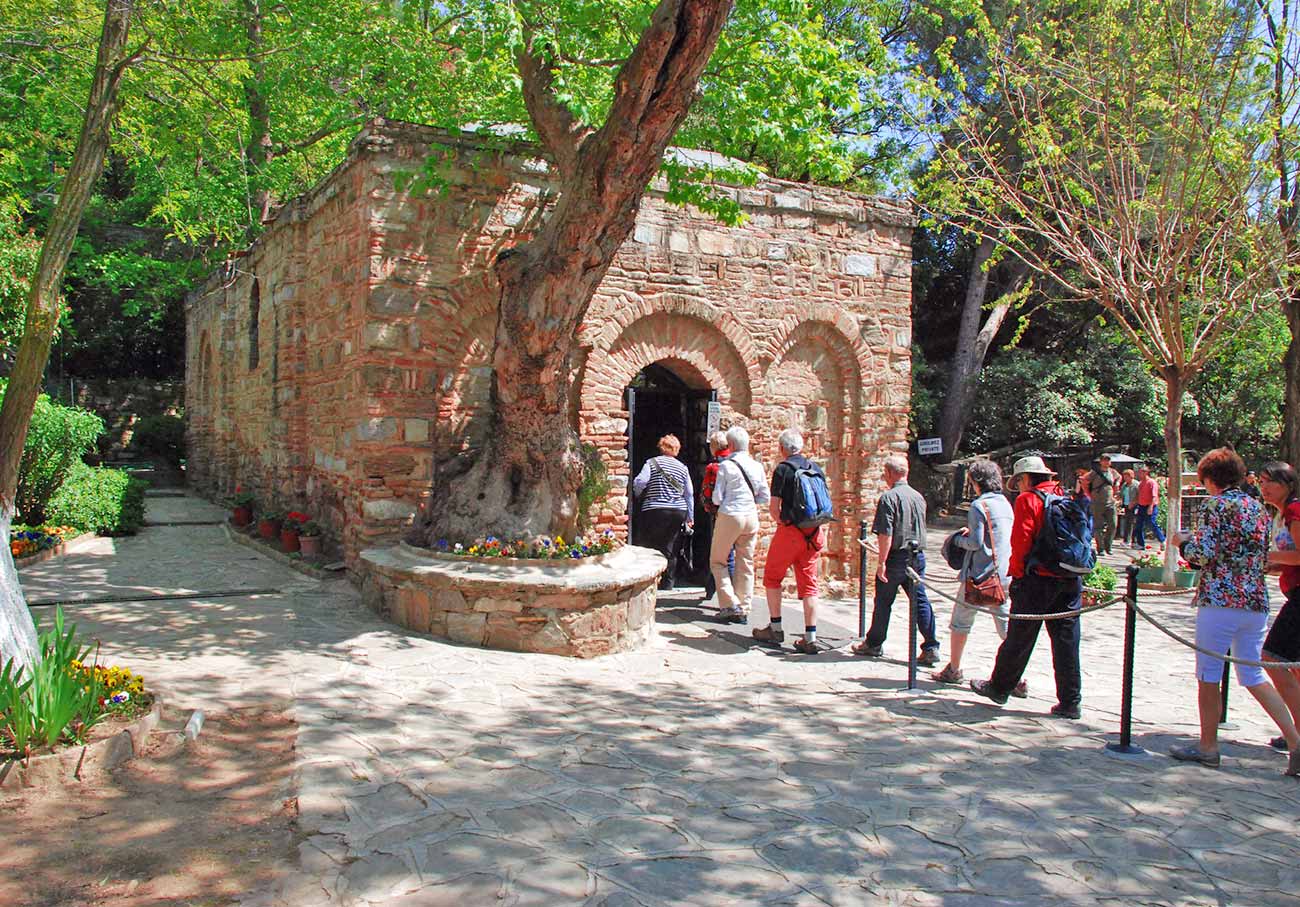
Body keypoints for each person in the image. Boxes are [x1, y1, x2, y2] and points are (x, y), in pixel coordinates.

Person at [1167, 448, 1300, 772]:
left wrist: (1182, 542)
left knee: (1208, 674)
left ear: (1209, 479)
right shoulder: (1257, 507)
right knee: (1253, 674)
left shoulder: (1215, 505)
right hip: (1255, 601)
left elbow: (1203, 553)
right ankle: (1296, 742)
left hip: (1220, 601)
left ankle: (1208, 746)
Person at [969, 455, 1085, 719]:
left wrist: (1016, 576)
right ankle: (1070, 701)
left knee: (1019, 638)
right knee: (1067, 642)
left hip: (1037, 580)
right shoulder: (1065, 498)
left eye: (1018, 480)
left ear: (1025, 478)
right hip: (1069, 579)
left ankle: (999, 687)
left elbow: (1021, 542)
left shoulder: (1028, 500)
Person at [931, 459, 1025, 697]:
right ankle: (1017, 677)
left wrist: (956, 539)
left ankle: (953, 669)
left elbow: (975, 542)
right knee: (1005, 626)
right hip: (1002, 573)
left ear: (976, 481)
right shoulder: (1005, 503)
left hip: (978, 575)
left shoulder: (978, 506)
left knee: (960, 622)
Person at [852, 454, 941, 665]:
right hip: (917, 556)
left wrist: (881, 562)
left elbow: (886, 534)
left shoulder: (888, 498)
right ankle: (931, 646)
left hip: (895, 557)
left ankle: (874, 643)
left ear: (890, 473)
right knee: (920, 602)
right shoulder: (918, 497)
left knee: (883, 602)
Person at [753, 428, 826, 654]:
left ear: (782, 448)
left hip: (790, 533)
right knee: (809, 585)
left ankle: (775, 629)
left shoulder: (783, 470)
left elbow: (775, 509)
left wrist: (784, 523)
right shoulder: (816, 468)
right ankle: (810, 636)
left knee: (773, 577)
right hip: (814, 533)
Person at [1259, 462, 1300, 753]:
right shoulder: (1281, 514)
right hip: (1293, 591)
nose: (1263, 487)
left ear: (1287, 483)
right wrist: (1272, 565)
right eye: (1261, 482)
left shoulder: (1295, 511)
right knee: (1293, 666)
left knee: (1274, 657)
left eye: (1269, 481)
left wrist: (1261, 554)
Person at [710, 425, 769, 623]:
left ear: (731, 444)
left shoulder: (726, 466)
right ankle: (744, 606)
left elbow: (717, 498)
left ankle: (729, 602)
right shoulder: (757, 466)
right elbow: (764, 496)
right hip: (751, 516)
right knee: (746, 562)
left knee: (718, 561)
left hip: (730, 514)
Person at [632, 434, 694, 591]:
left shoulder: (651, 463)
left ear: (661, 447)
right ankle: (668, 582)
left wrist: (639, 495)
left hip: (654, 509)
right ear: (677, 449)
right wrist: (690, 516)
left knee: (651, 545)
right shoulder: (683, 468)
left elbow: (640, 482)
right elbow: (689, 494)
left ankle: (651, 580)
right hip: (678, 510)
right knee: (671, 546)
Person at [699, 431, 735, 602]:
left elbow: (708, 493)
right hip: (743, 513)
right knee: (733, 554)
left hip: (721, 514)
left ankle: (726, 596)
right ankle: (712, 587)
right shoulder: (737, 463)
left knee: (721, 556)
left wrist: (708, 509)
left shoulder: (714, 467)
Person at [1088, 455, 1120, 556]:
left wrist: (1117, 486)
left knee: (1113, 524)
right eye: (1104, 460)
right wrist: (1089, 495)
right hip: (1097, 503)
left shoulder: (1113, 472)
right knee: (1098, 527)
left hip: (1110, 502)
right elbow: (1084, 480)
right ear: (1101, 462)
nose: (1106, 462)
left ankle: (1108, 546)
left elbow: (1119, 478)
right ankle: (1100, 548)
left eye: (1108, 460)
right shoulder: (1094, 472)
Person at [1133, 464, 1166, 550]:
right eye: (1139, 472)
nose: (1139, 474)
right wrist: (1134, 502)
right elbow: (1139, 495)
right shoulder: (1141, 483)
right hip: (1141, 506)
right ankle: (1141, 544)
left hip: (1150, 505)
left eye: (1141, 472)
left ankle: (1162, 540)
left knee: (1151, 523)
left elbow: (1154, 496)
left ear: (1146, 473)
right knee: (1139, 525)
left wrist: (1150, 507)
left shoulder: (1151, 482)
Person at [1118, 468, 1139, 545]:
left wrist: (1133, 503)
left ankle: (1133, 540)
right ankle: (1126, 540)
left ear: (1131, 476)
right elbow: (1121, 494)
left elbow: (1139, 496)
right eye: (1124, 477)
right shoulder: (1124, 485)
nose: (1125, 478)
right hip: (1126, 505)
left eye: (1127, 477)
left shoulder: (1136, 484)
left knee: (1132, 523)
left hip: (1134, 506)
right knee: (1127, 523)